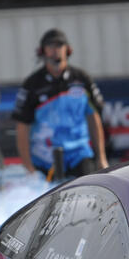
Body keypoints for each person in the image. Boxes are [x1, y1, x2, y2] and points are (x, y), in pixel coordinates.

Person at [14, 28, 108, 180]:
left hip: (79, 154)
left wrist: (101, 158)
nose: (55, 51)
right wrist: (28, 167)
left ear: (67, 49)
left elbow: (94, 117)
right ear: (42, 52)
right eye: (50, 46)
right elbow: (22, 127)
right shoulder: (31, 84)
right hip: (45, 159)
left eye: (59, 46)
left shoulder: (82, 79)